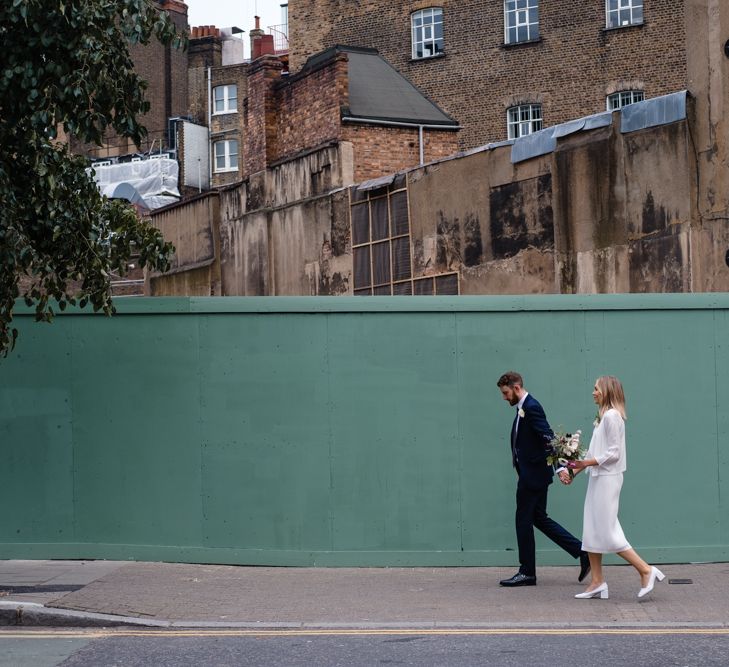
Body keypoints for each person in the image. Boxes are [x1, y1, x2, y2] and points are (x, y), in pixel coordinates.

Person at [563, 375, 664, 600]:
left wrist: (584, 464)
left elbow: (613, 454)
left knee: (607, 532)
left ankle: (646, 570)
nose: (593, 392)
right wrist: (573, 472)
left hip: (608, 479)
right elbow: (592, 453)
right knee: (591, 529)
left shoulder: (612, 416)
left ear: (607, 391)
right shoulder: (602, 417)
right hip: (598, 477)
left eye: (596, 389)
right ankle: (597, 582)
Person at [497, 371, 590, 587]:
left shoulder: (531, 407)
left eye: (505, 393)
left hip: (533, 477)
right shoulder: (524, 407)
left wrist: (560, 469)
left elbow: (548, 438)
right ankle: (582, 552)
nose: (504, 397)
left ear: (516, 388)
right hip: (534, 475)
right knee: (538, 518)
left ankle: (527, 572)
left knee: (523, 522)